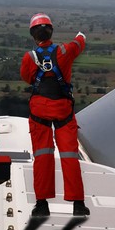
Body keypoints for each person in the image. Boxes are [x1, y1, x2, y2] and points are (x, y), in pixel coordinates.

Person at [19, 13, 88, 218]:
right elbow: (79, 43)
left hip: (39, 110)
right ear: (51, 31)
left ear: (33, 34)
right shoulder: (65, 50)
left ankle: (42, 205)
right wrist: (81, 35)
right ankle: (77, 204)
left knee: (42, 156)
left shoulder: (29, 58)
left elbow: (27, 78)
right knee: (69, 156)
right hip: (63, 111)